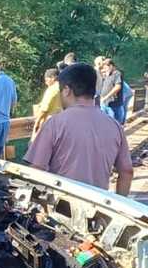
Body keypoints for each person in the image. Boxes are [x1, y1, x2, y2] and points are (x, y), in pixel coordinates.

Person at [25, 62, 134, 195]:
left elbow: (36, 169)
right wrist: (118, 203)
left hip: (61, 206)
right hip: (99, 208)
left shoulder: (55, 124)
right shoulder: (114, 126)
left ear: (66, 90)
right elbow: (127, 171)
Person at [31, 67, 63, 134]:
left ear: (53, 78)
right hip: (61, 123)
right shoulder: (64, 89)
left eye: (46, 79)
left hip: (50, 123)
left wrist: (37, 122)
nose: (45, 82)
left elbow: (44, 109)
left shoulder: (52, 90)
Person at [97, 58, 125, 124]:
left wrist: (106, 97)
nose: (105, 69)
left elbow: (118, 87)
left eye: (106, 67)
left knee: (114, 124)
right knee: (104, 123)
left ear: (111, 66)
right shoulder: (107, 75)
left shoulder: (117, 74)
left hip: (114, 104)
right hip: (105, 104)